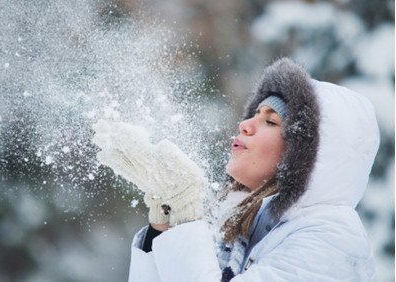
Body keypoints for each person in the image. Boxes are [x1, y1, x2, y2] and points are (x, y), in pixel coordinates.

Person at [93, 58, 380, 281]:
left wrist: (187, 217)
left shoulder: (329, 239)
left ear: (305, 154)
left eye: (271, 121)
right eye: (254, 114)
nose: (245, 125)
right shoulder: (246, 224)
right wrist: (166, 222)